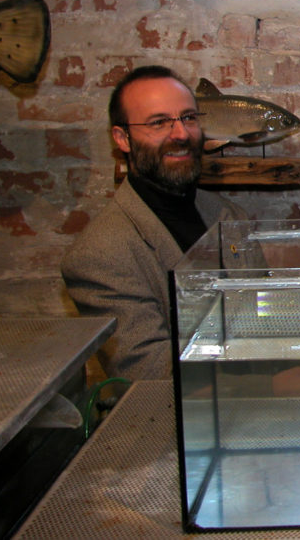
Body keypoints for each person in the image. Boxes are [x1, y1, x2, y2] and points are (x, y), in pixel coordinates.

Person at [62, 65, 248, 382]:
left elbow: (259, 315)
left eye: (189, 118)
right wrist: (267, 383)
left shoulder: (226, 214)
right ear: (122, 138)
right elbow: (146, 369)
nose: (181, 134)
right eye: (159, 122)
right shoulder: (98, 255)